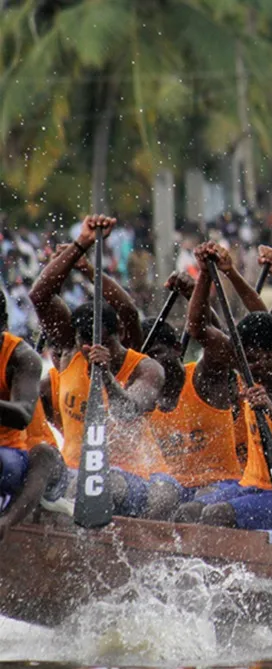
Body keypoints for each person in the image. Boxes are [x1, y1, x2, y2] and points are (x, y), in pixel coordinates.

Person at [30, 216, 177, 519]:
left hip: (134, 476)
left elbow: (128, 411)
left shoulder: (145, 369)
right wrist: (81, 245)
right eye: (86, 345)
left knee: (99, 486)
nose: (92, 351)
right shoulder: (71, 351)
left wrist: (107, 377)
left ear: (120, 334)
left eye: (104, 343)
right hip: (75, 471)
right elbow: (40, 296)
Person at [183, 297, 272, 531]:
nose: (246, 368)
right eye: (243, 361)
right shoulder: (253, 374)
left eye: (252, 360)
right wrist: (201, 283)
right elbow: (199, 329)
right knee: (188, 511)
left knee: (216, 514)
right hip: (250, 485)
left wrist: (271, 410)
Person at [145, 271, 243, 502]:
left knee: (192, 507)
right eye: (145, 358)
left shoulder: (204, 379)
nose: (151, 363)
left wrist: (195, 293)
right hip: (172, 488)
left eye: (156, 354)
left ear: (177, 349)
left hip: (219, 484)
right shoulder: (142, 392)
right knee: (159, 500)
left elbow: (221, 344)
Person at [0, 289, 66, 536]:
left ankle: (6, 523)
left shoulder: (22, 359)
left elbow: (22, 416)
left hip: (24, 458)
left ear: (3, 325)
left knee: (44, 454)